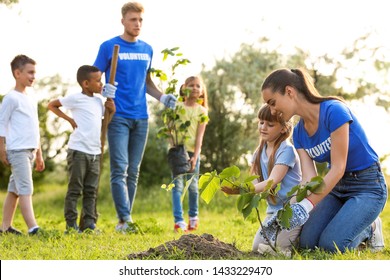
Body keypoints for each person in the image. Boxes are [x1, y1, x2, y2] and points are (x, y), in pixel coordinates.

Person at [260, 68, 388, 253]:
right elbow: (309, 180)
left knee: (331, 245)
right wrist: (288, 209)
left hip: (367, 185)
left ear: (289, 92)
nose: (272, 110)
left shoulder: (333, 111)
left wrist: (307, 205)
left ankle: (371, 227)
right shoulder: (299, 133)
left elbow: (338, 167)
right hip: (336, 188)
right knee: (308, 244)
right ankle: (349, 219)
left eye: (273, 103)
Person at [93, 2, 176, 233]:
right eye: (132, 20)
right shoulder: (109, 46)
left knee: (134, 170)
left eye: (140, 20)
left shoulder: (147, 49)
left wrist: (163, 97)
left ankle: (124, 221)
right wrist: (103, 91)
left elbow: (147, 83)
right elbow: (93, 78)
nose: (137, 24)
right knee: (120, 168)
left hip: (141, 116)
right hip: (117, 115)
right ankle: (126, 218)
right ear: (123, 21)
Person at [222, 104, 302, 255]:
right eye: (261, 122)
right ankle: (280, 244)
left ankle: (294, 240)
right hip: (274, 211)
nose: (263, 127)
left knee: (281, 247)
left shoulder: (287, 150)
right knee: (256, 247)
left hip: (292, 209)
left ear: (283, 128)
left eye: (270, 124)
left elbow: (272, 182)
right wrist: (241, 188)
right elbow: (255, 183)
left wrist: (240, 190)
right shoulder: (258, 152)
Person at [48, 65, 116, 232]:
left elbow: (102, 126)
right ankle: (71, 225)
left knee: (91, 190)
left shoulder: (99, 101)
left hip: (95, 152)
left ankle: (89, 224)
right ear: (86, 83)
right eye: (98, 81)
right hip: (78, 151)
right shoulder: (76, 98)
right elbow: (52, 105)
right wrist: (69, 120)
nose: (101, 84)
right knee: (75, 190)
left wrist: (111, 112)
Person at [0, 54, 45, 235]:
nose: (33, 76)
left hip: (30, 150)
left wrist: (39, 153)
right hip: (17, 150)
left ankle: (4, 227)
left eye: (34, 73)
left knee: (15, 190)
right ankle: (33, 227)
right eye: (30, 72)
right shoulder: (11, 98)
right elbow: (1, 124)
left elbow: (35, 127)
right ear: (17, 73)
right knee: (26, 188)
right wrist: (2, 149)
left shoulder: (31, 98)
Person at [170, 76, 208, 232]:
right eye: (191, 85)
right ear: (183, 87)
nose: (194, 88)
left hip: (193, 152)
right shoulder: (176, 108)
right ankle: (179, 221)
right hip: (178, 151)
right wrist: (173, 148)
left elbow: (199, 137)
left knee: (192, 187)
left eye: (198, 86)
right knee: (177, 186)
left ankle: (193, 218)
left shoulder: (202, 111)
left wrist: (195, 156)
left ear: (201, 91)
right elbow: (170, 130)